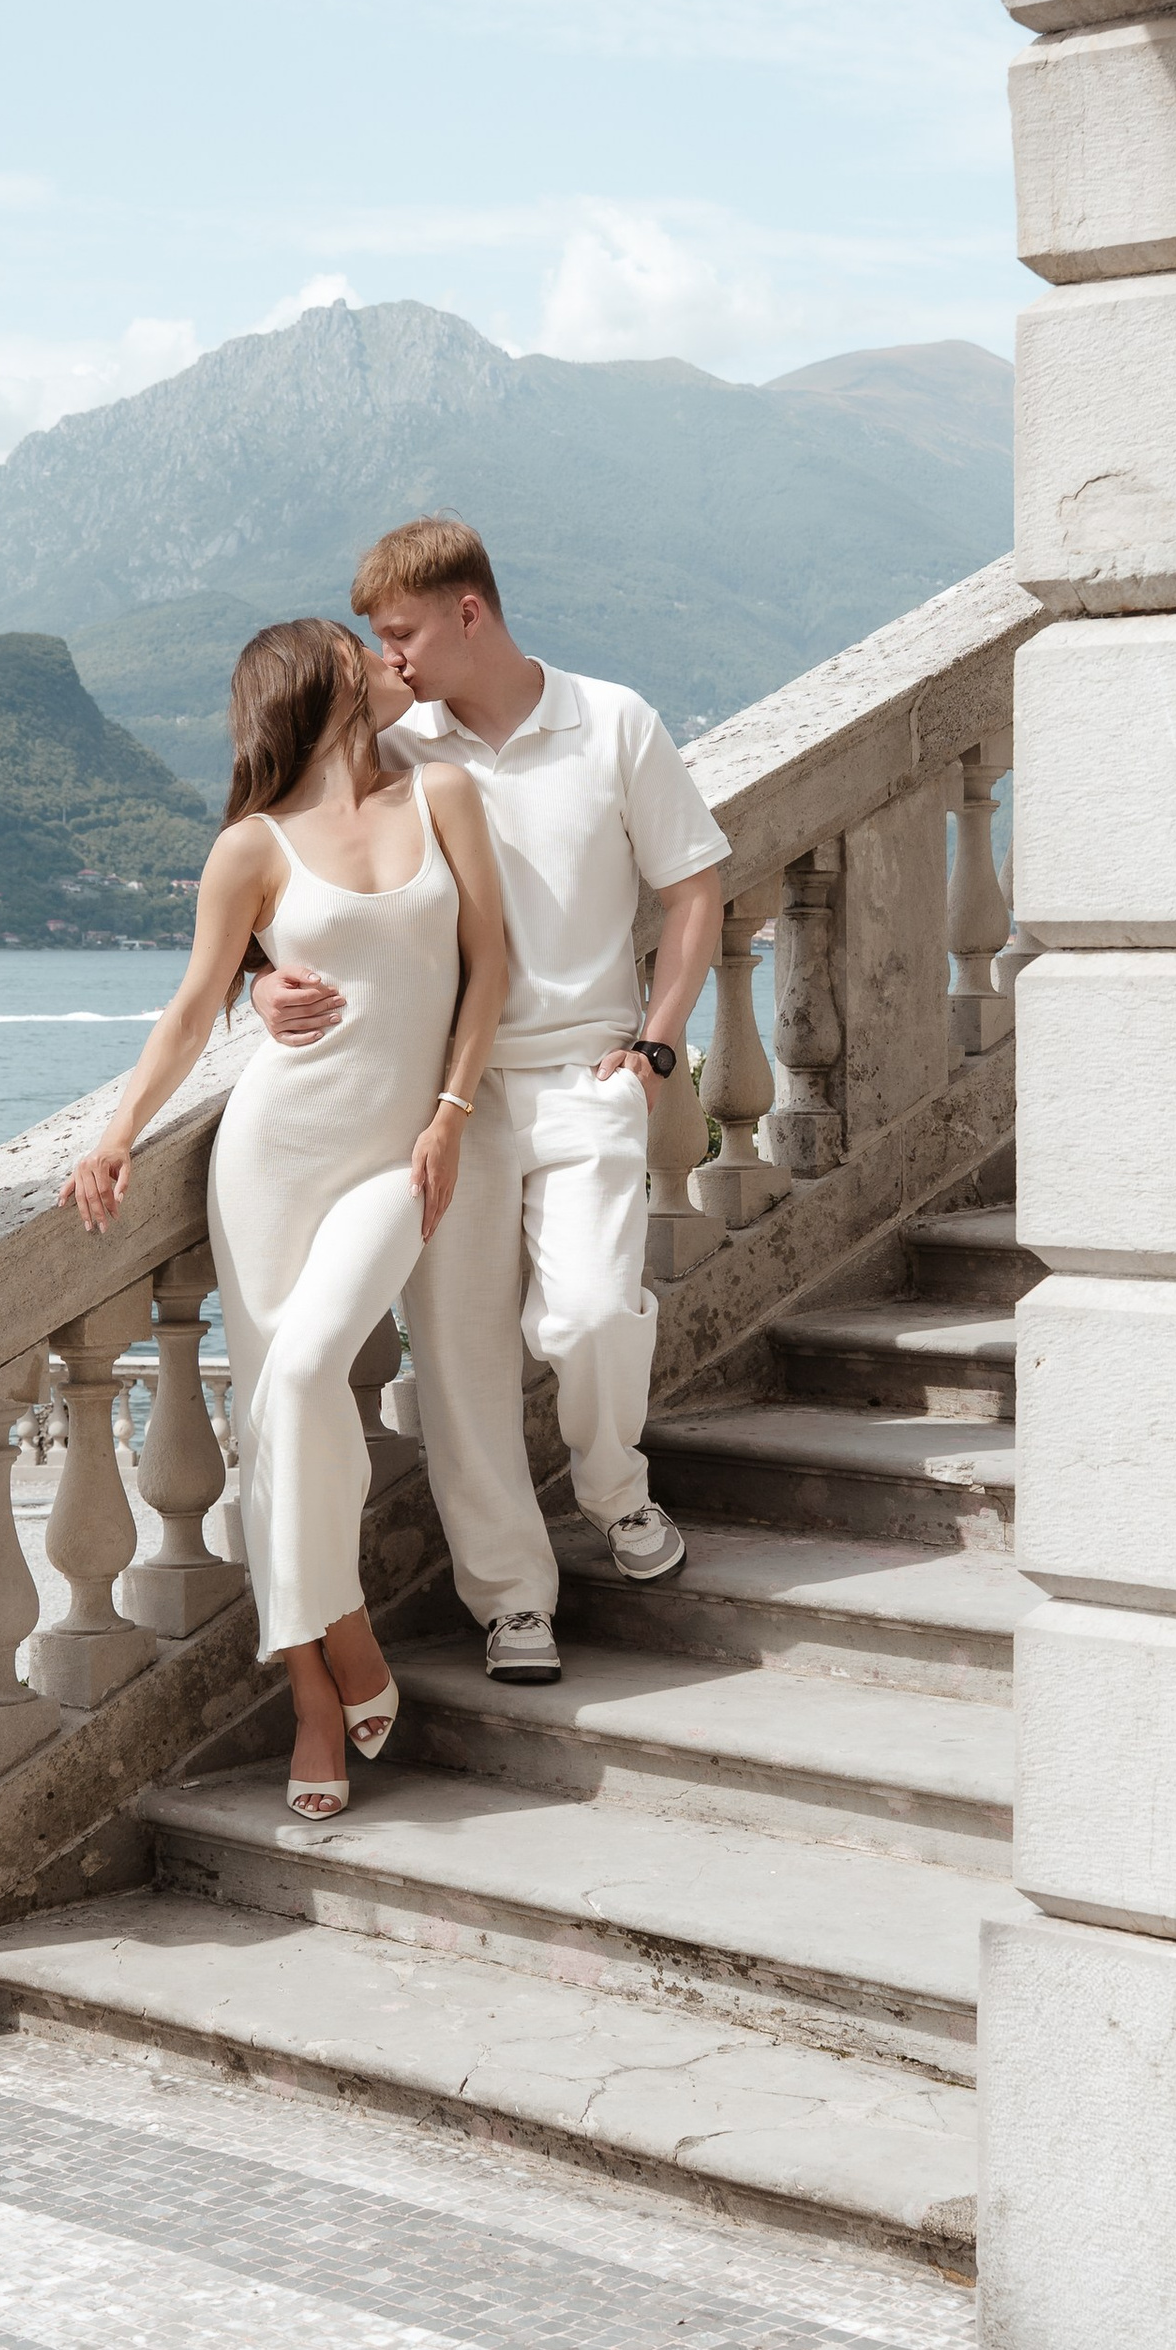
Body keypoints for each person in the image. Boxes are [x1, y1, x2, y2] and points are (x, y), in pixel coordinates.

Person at [250, 518, 728, 1686]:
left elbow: (697, 887)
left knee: (588, 1316)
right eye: (376, 639)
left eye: (401, 631)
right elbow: (288, 854)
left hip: (585, 1076)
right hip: (438, 1095)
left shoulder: (612, 721)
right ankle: (513, 1600)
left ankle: (613, 1483)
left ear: (471, 610)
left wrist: (658, 1048)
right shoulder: (394, 747)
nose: (390, 658)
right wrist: (263, 983)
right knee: (458, 1367)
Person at [64, 618, 506, 1821]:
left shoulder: (446, 795)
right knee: (272, 1419)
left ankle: (339, 1630)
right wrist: (112, 1137)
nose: (381, 653)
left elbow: (490, 968)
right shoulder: (248, 851)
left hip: (395, 1155)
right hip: (270, 1155)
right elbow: (192, 1010)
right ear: (321, 682)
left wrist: (452, 1112)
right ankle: (318, 1684)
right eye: (355, 644)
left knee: (309, 1372)